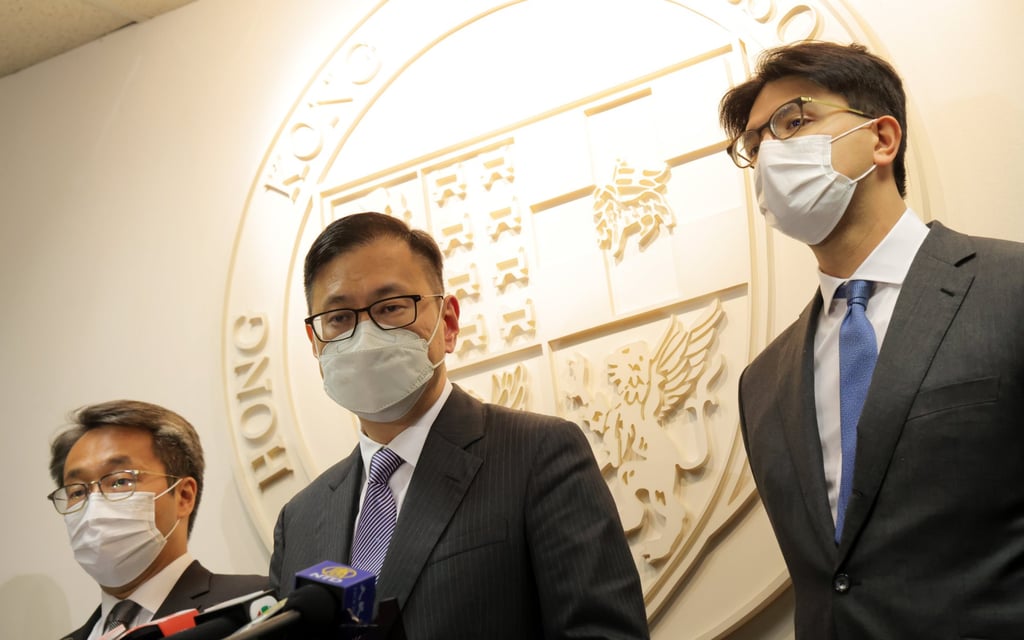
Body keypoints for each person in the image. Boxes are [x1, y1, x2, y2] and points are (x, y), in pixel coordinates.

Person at [719, 40, 1024, 639]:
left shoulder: (1010, 290)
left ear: (883, 139)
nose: (770, 156)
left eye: (793, 122)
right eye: (755, 147)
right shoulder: (762, 383)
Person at [269, 211, 649, 638]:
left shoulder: (538, 455)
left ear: (447, 323)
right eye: (339, 319)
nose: (364, 335)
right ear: (315, 343)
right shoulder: (298, 520)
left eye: (391, 307)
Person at [48, 400, 268, 640]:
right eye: (77, 492)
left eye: (120, 481)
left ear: (184, 496)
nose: (94, 505)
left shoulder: (255, 606)